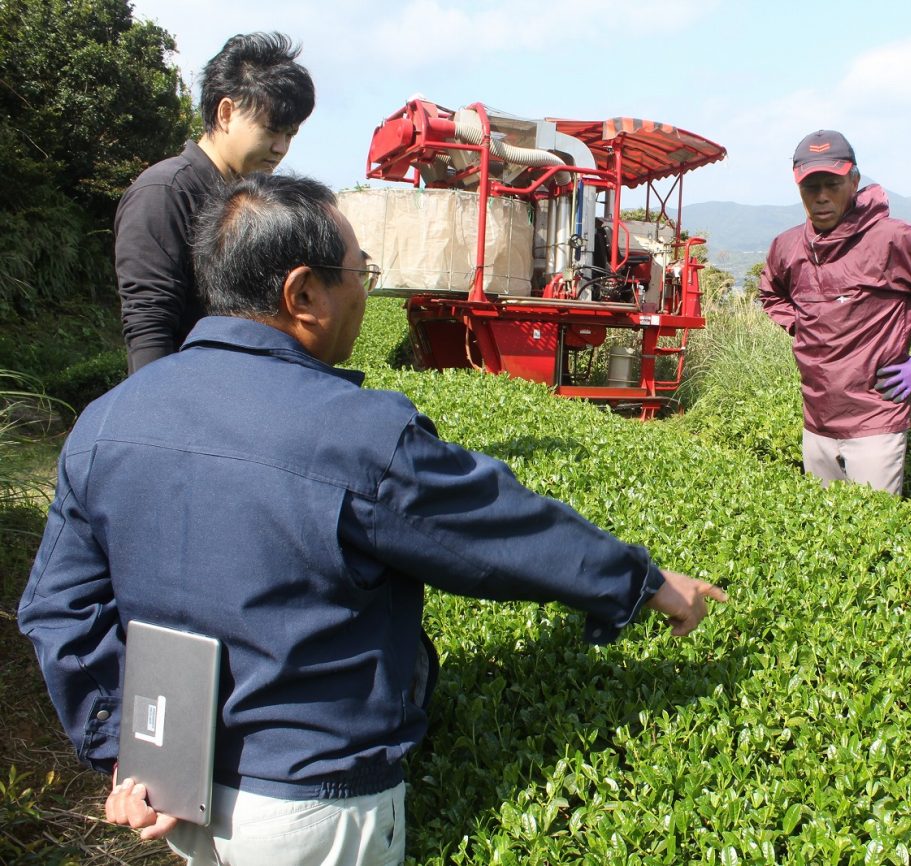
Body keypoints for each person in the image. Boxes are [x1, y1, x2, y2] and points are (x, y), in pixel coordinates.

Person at [20, 173, 727, 865]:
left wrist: (126, 747)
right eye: (361, 271)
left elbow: (58, 608)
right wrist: (644, 580)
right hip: (312, 812)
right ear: (303, 293)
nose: (365, 290)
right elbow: (501, 531)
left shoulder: (108, 419)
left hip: (174, 791)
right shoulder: (357, 434)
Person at [759, 130, 911, 494]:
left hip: (875, 423)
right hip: (816, 422)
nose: (821, 197)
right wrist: (800, 325)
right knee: (821, 535)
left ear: (854, 181)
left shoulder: (893, 240)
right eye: (811, 186)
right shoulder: (787, 246)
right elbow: (770, 293)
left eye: (832, 184)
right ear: (798, 188)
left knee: (873, 537)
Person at [116, 32, 315, 375]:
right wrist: (157, 412)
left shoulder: (251, 200)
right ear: (226, 112)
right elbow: (149, 324)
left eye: (290, 135)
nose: (281, 147)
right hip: (186, 400)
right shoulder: (166, 192)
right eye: (272, 130)